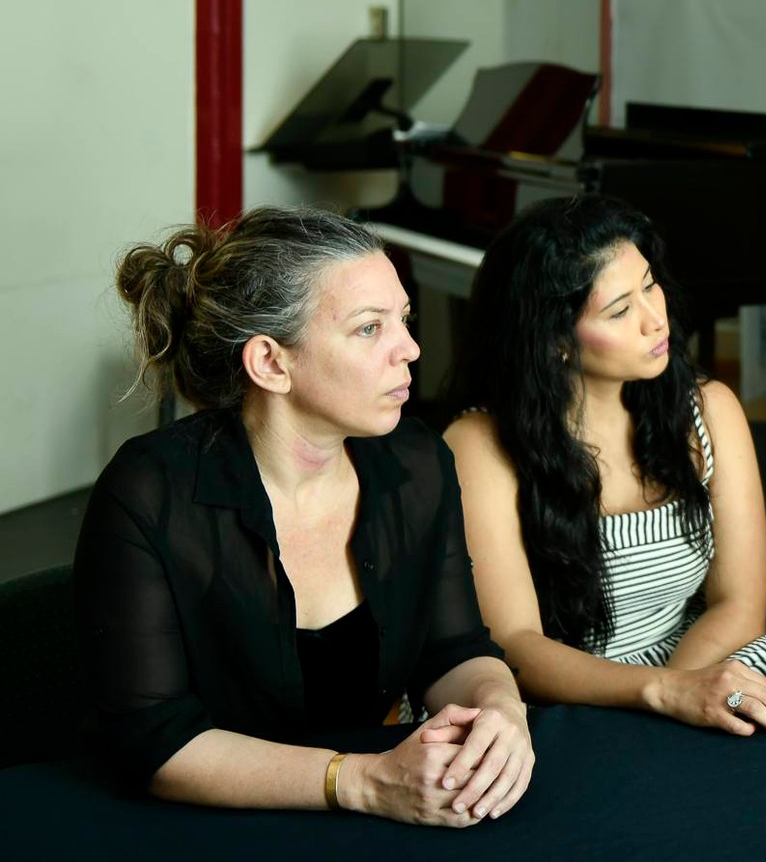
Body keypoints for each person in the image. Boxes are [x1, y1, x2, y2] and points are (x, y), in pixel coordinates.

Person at [75, 208, 533, 826]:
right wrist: (362, 782)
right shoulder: (149, 491)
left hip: (378, 806)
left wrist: (502, 708)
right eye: (369, 328)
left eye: (403, 319)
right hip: (199, 822)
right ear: (270, 363)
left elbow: (452, 647)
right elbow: (152, 737)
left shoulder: (418, 461)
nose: (410, 349)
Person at [445, 195, 766, 740]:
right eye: (620, 310)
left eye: (650, 286)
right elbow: (517, 647)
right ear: (554, 340)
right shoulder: (478, 445)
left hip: (700, 658)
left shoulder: (709, 409)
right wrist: (660, 696)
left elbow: (740, 605)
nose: (656, 320)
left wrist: (681, 690)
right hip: (563, 691)